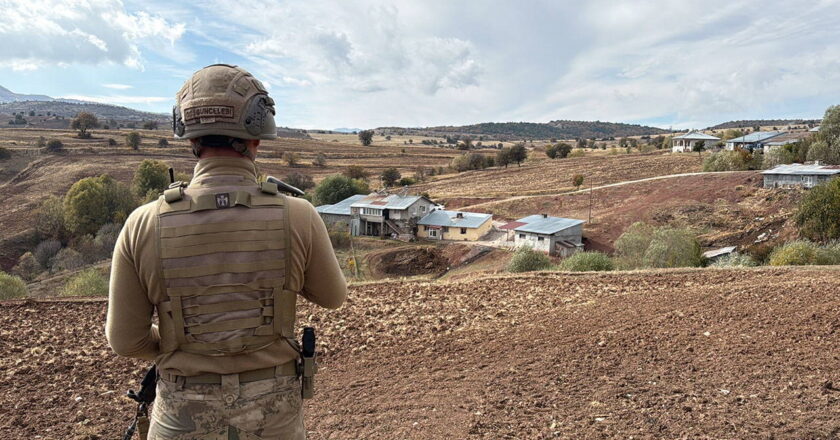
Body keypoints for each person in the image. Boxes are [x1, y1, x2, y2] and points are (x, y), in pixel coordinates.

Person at [106, 64, 347, 439]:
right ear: (257, 137)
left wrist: (182, 345)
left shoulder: (143, 223)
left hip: (180, 416)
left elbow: (126, 341)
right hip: (274, 418)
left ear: (190, 138)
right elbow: (332, 297)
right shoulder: (299, 215)